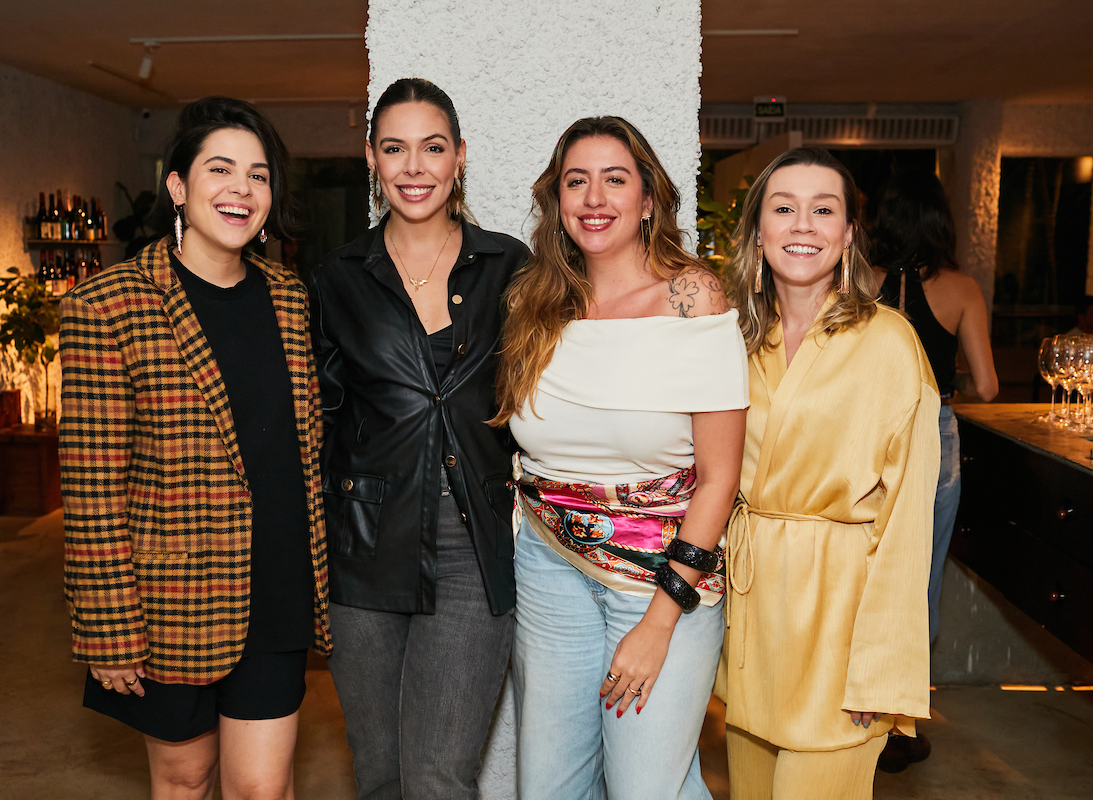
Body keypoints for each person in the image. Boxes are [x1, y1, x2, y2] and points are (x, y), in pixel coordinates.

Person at [60, 96, 329, 800]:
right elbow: (92, 487)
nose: (242, 189)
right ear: (178, 187)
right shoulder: (106, 306)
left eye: (259, 175)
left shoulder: (289, 298)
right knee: (184, 777)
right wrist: (109, 627)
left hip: (276, 581)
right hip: (170, 599)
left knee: (262, 788)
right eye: (221, 169)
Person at [492, 116, 749, 800]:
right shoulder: (534, 302)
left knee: (646, 789)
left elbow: (721, 476)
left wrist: (661, 619)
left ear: (647, 200)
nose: (595, 197)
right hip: (549, 567)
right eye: (577, 181)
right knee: (547, 788)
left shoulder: (691, 298)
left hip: (663, 579)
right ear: (557, 201)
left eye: (615, 179)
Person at [309, 78, 529, 800]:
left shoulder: (510, 269)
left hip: (473, 542)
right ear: (370, 158)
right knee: (379, 775)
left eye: (432, 148)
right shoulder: (337, 277)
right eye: (394, 148)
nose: (414, 167)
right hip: (363, 547)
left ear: (459, 157)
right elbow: (321, 420)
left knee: (437, 777)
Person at [719, 147, 939, 800]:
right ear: (758, 230)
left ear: (848, 234)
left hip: (841, 636)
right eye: (784, 208)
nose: (803, 225)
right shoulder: (733, 339)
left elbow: (905, 528)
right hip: (753, 623)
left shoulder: (890, 344)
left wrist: (880, 671)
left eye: (824, 210)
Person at [867, 170, 998, 772]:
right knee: (920, 574)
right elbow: (991, 386)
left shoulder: (860, 282)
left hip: (864, 432)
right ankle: (904, 723)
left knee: (862, 569)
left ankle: (856, 710)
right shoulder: (961, 288)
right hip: (933, 433)